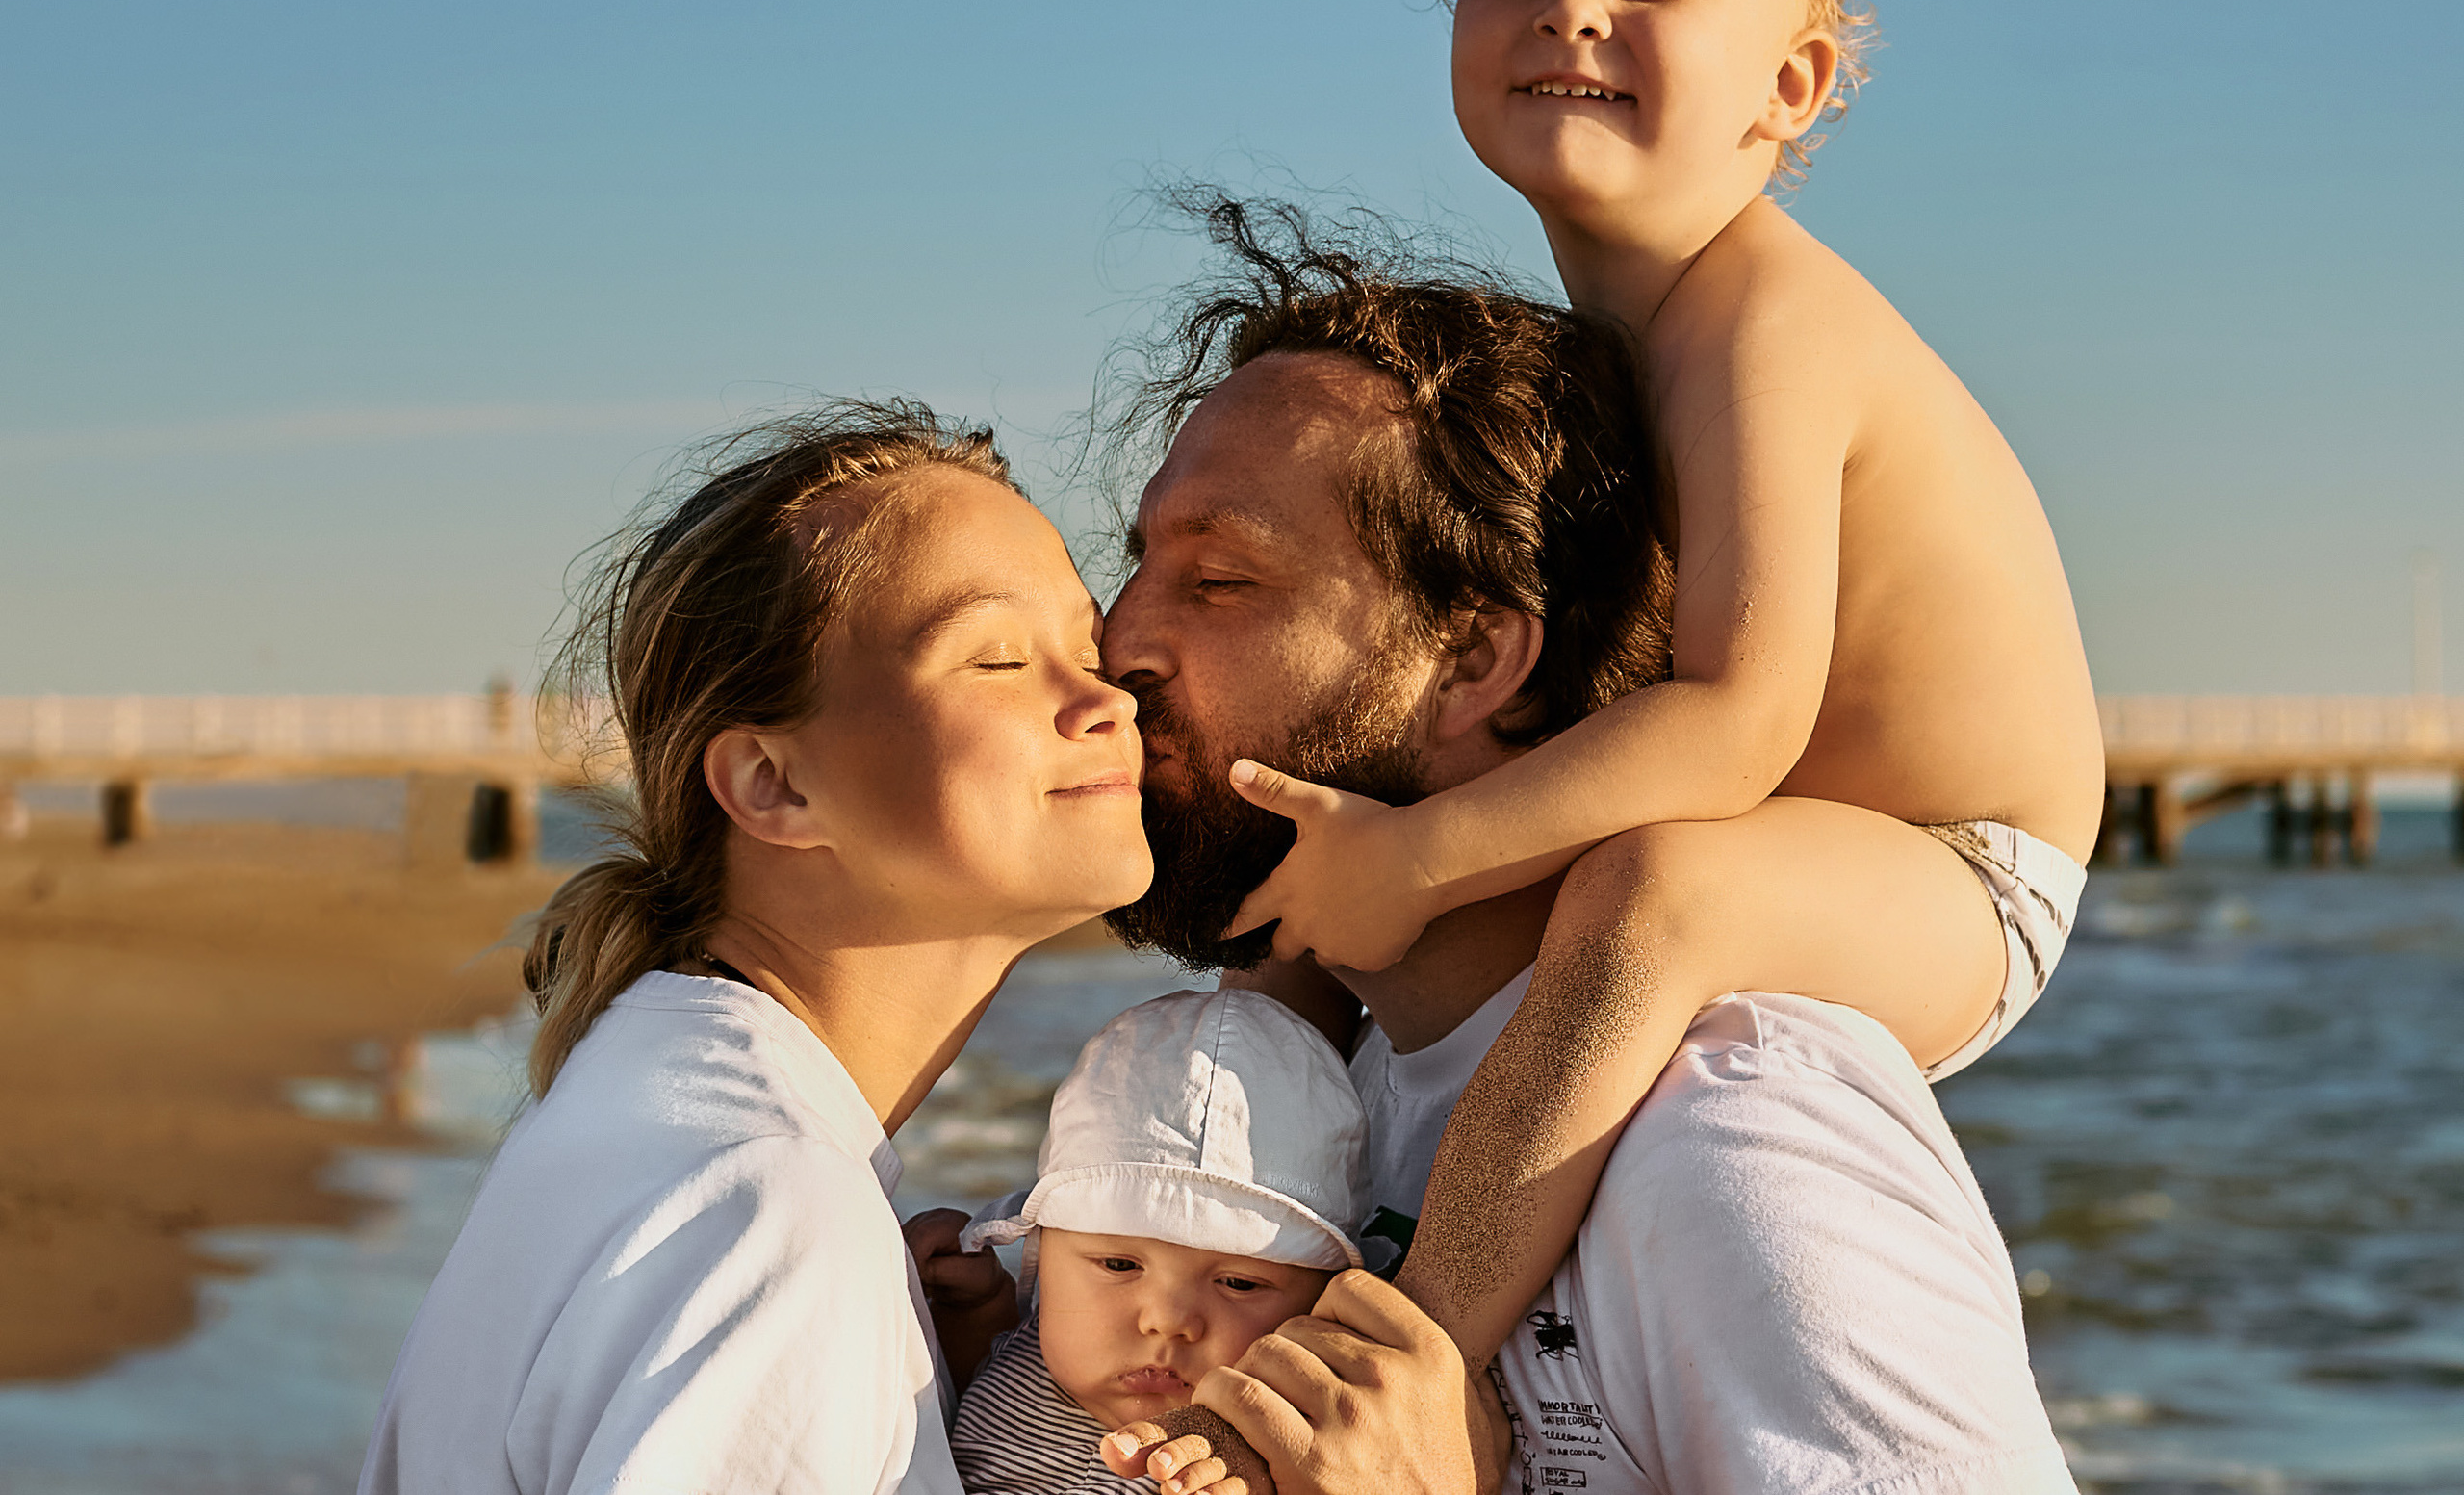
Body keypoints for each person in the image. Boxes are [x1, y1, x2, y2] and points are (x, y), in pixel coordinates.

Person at [1208, 0, 2108, 1370]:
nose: (1572, 10)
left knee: (1655, 895)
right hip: (1771, 823)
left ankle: (1421, 1355)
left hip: (1958, 874)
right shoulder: (1609, 336)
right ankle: (1199, 1212)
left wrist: (1423, 861)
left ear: (1791, 84)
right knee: (1338, 852)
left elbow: (1740, 721)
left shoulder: (1766, 320)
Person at [1096, 211, 2077, 1493]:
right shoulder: (1319, 1102)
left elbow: (1741, 714)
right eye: (1137, 568)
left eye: (1220, 583)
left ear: (1474, 659)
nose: (1117, 644)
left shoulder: (1735, 1160)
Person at [358, 405, 1154, 1495]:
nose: (1105, 700)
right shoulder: (772, 1211)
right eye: (1000, 657)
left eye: (1090, 648)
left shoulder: (658, 1099)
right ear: (772, 785)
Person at [909, 989, 1367, 1495]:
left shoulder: (1268, 1462)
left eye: (1238, 1282)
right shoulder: (1038, 1348)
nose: (1167, 1321)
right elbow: (968, 1394)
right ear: (1044, 1254)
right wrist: (973, 1310)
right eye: (1120, 1265)